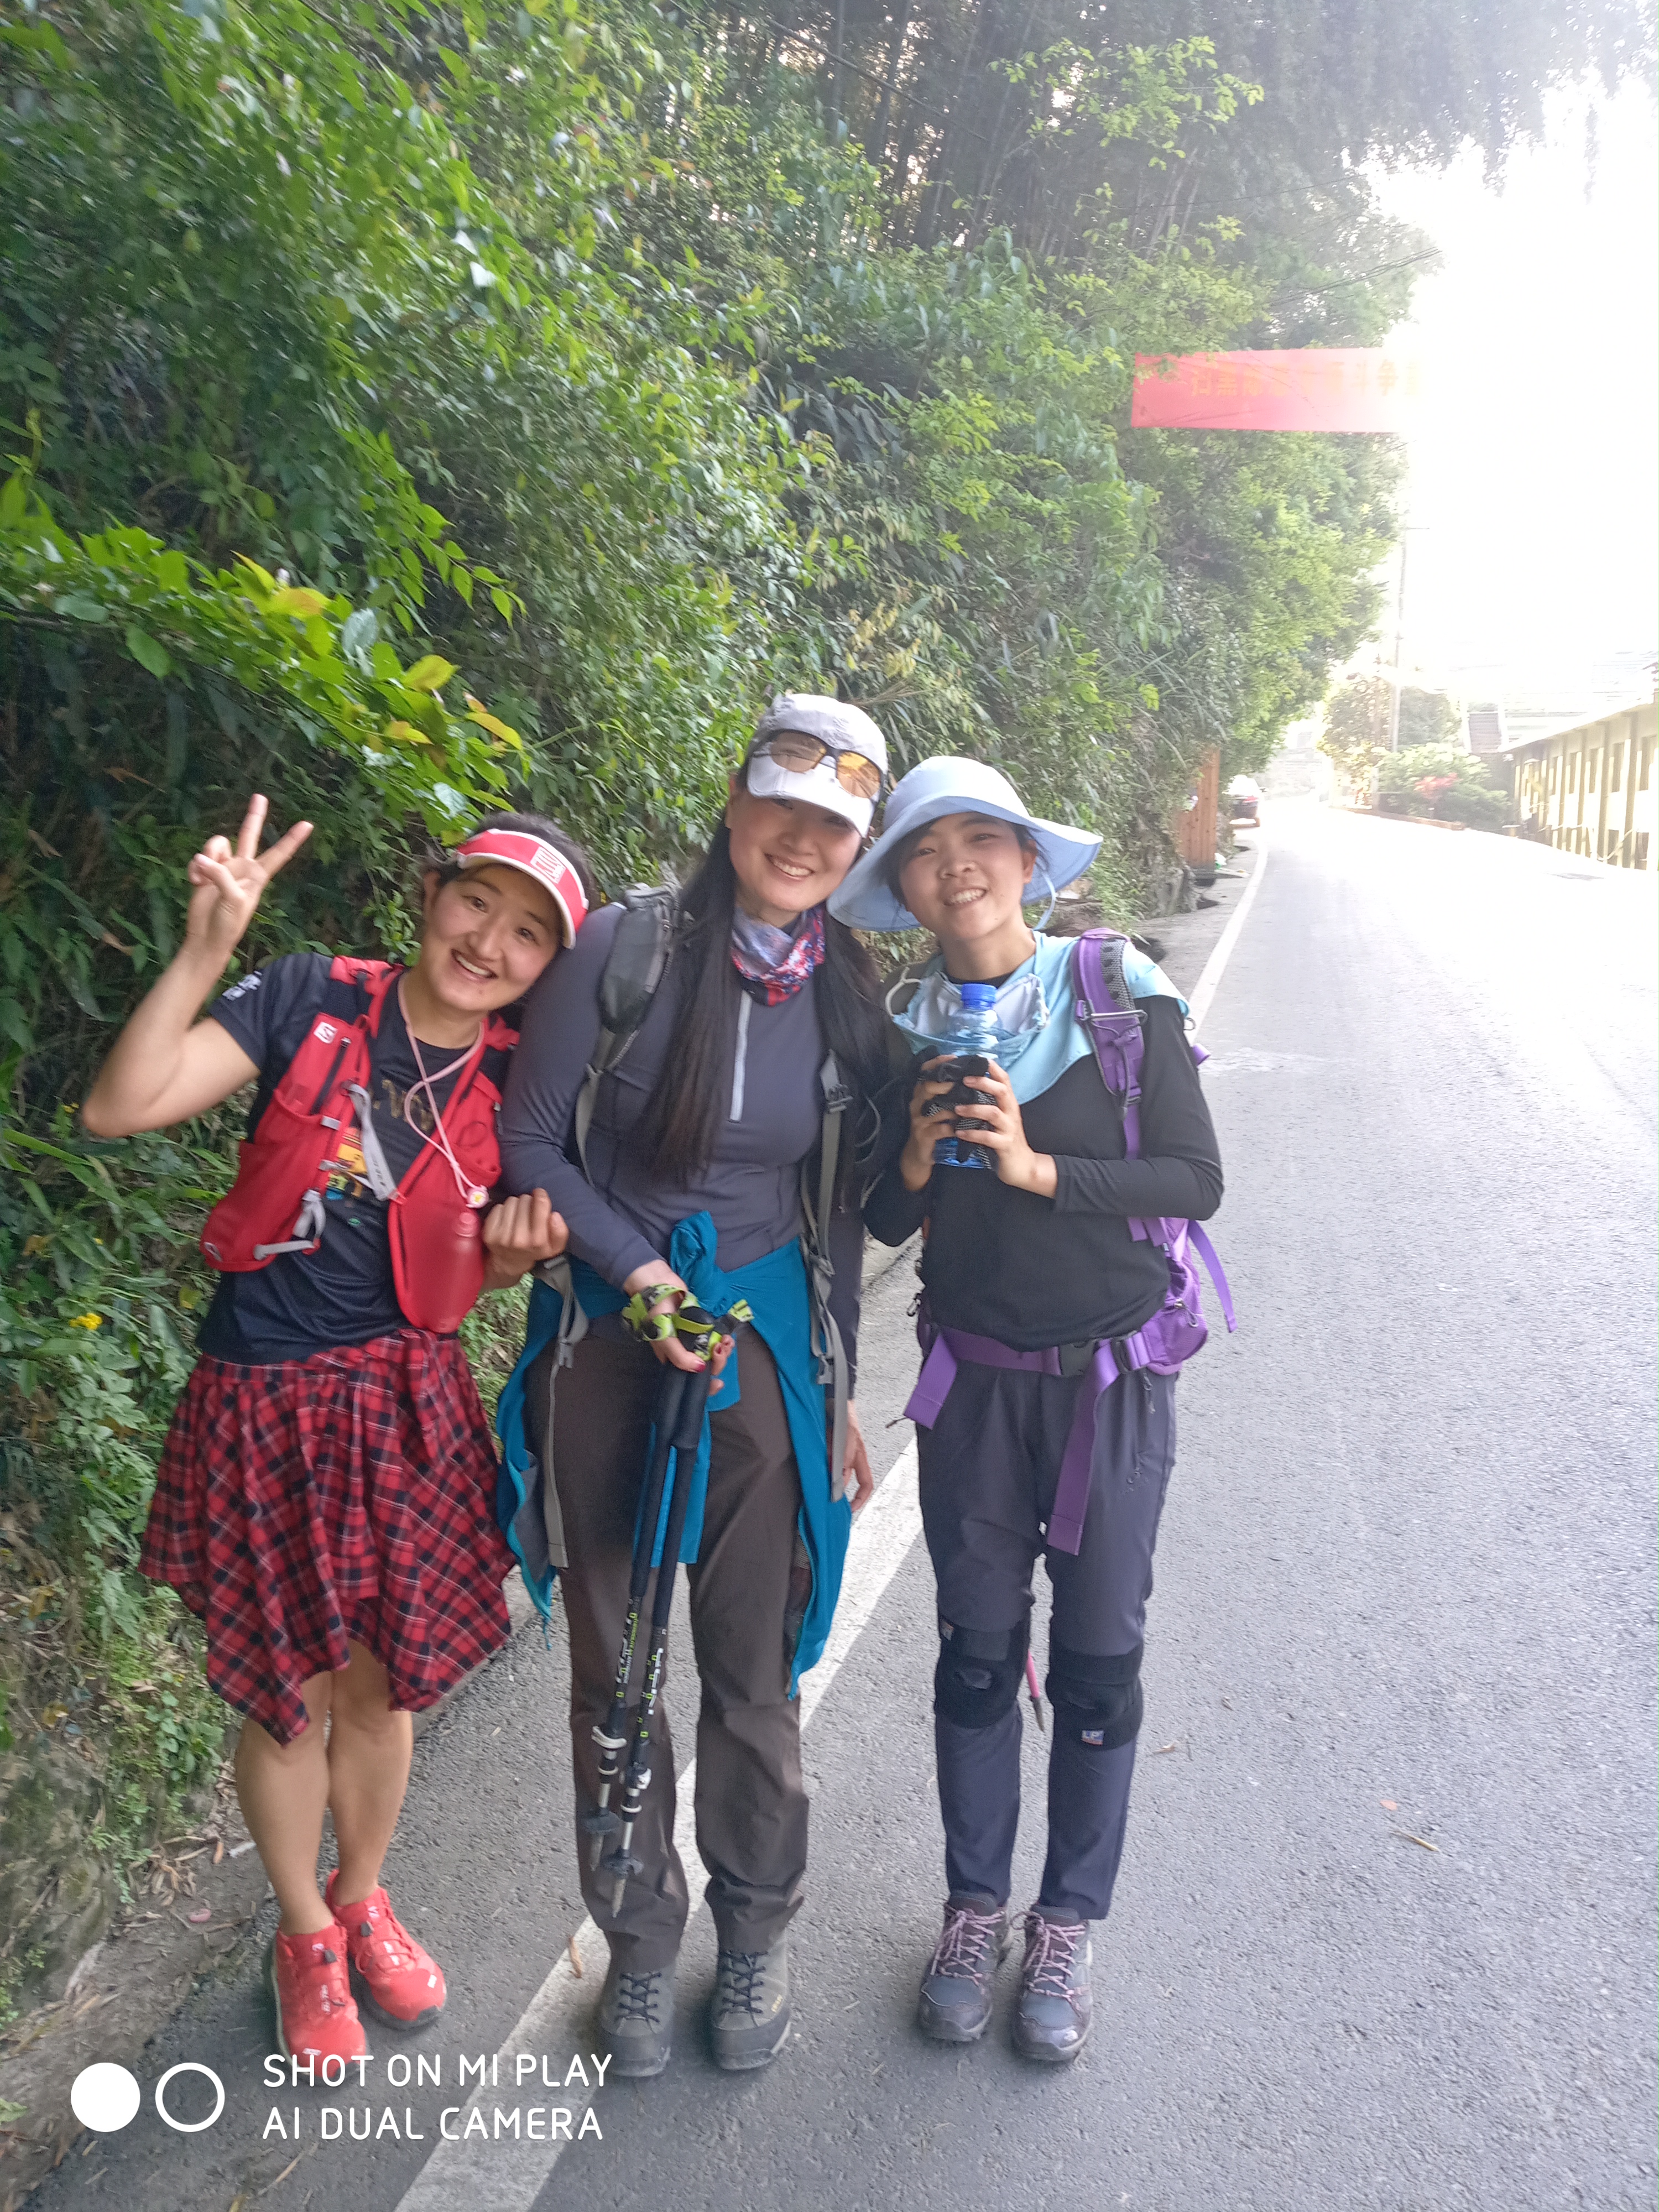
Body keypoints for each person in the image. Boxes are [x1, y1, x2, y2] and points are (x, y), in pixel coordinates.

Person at [81, 796, 594, 2069]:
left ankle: (361, 1894)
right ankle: (303, 1931)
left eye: (528, 933)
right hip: (264, 1397)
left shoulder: (525, 1083)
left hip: (410, 1401)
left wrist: (523, 1253)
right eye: (476, 900)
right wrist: (207, 948)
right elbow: (122, 1104)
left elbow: (495, 1261)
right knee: (291, 1694)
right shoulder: (310, 995)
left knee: (382, 1680)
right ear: (431, 892)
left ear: (549, 966)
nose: (489, 941)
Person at [496, 696, 893, 2077]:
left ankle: (758, 1924)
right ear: (733, 806)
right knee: (614, 1666)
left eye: (832, 823)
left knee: (751, 1664)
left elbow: (836, 1207)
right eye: (782, 804)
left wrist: (835, 1382)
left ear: (856, 848)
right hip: (611, 1332)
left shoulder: (846, 997)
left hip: (762, 1343)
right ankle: (641, 1940)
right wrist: (637, 1272)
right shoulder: (626, 950)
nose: (801, 838)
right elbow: (530, 1141)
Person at [831, 757, 1224, 2063]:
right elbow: (886, 1218)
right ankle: (973, 1907)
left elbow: (1195, 1177)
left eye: (981, 840)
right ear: (903, 885)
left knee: (1100, 1662)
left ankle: (1066, 1919)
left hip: (1111, 1385)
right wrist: (911, 1148)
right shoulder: (902, 1031)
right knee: (977, 1655)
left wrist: (1035, 1165)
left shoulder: (1117, 991)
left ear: (1026, 860)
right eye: (926, 848)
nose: (958, 867)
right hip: (976, 1389)